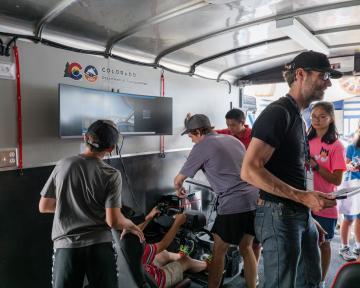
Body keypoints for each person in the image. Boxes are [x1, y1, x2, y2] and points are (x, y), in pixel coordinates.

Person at [241, 50, 341, 288]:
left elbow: (292, 172)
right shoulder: (279, 112)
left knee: (311, 281)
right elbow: (249, 170)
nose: (328, 82)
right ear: (300, 74)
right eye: (323, 75)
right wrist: (302, 198)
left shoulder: (299, 116)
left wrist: (306, 212)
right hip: (278, 215)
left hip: (298, 214)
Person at [39, 120, 144, 288]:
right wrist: (130, 224)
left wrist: (72, 205)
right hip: (100, 247)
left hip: (66, 247)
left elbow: (44, 206)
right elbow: (114, 221)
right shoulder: (111, 174)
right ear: (110, 149)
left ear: (85, 138)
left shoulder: (63, 164)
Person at [174, 114, 259, 288]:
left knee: (219, 251)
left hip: (233, 203)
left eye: (191, 136)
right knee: (246, 247)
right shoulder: (232, 139)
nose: (191, 140)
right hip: (253, 198)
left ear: (198, 131)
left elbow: (178, 179)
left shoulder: (201, 147)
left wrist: (178, 188)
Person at [216, 108, 262, 278]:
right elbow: (210, 134)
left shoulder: (254, 137)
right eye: (228, 125)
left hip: (255, 188)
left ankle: (253, 272)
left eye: (233, 125)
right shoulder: (228, 132)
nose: (230, 128)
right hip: (238, 190)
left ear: (243, 123)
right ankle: (249, 269)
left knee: (254, 242)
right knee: (244, 242)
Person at [307, 101, 346, 287]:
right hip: (304, 200)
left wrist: (316, 166)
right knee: (305, 243)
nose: (317, 120)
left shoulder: (336, 146)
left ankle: (322, 280)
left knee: (324, 243)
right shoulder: (306, 140)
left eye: (322, 116)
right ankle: (307, 277)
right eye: (314, 116)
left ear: (331, 119)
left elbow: (337, 180)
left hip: (325, 203)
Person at [139, 207, 208, 288]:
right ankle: (208, 266)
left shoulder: (124, 240)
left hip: (140, 268)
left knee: (163, 253)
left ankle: (181, 255)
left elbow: (133, 230)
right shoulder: (138, 248)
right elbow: (163, 244)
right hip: (154, 280)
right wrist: (177, 223)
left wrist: (149, 217)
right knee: (186, 261)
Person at [339, 130, 360, 261]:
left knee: (359, 218)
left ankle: (358, 246)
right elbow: (344, 166)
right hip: (351, 185)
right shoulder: (352, 147)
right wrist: (351, 166)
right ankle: (344, 247)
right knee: (349, 218)